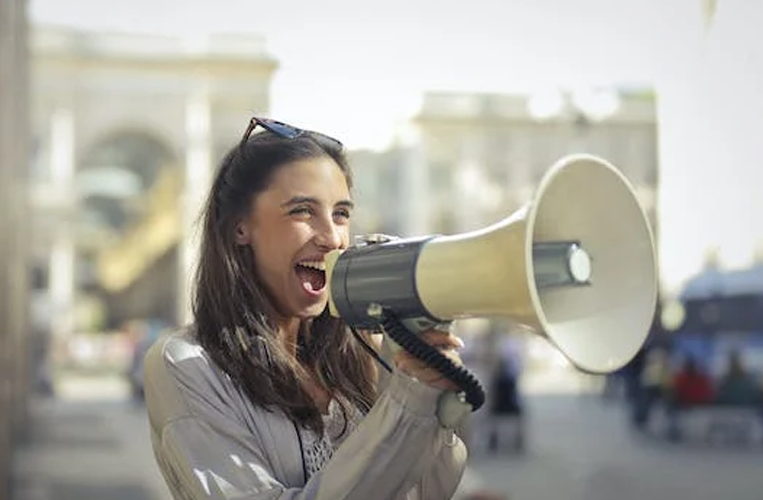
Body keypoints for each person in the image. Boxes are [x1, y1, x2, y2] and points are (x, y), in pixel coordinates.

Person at [143, 117, 469, 500]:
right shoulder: (186, 364)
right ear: (239, 228)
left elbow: (426, 492)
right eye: (302, 211)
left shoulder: (362, 347)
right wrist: (407, 404)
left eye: (341, 214)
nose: (332, 237)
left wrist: (430, 394)